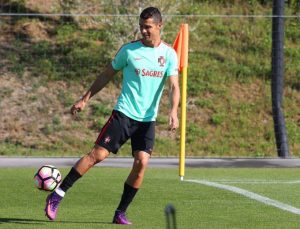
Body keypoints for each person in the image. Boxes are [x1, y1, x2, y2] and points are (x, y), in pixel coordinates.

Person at [44, 6, 180, 225]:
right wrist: (85, 98)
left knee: (142, 162)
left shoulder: (169, 54)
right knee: (97, 155)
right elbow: (106, 74)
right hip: (124, 114)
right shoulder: (129, 50)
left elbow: (174, 86)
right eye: (141, 27)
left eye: (148, 27)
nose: (143, 31)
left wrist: (173, 111)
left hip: (147, 121)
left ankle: (120, 213)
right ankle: (57, 195)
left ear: (159, 26)